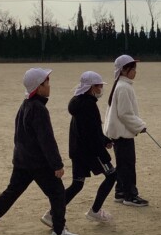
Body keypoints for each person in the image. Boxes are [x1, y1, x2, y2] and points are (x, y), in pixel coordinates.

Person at [0, 68, 79, 235]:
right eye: (46, 82)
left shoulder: (26, 104)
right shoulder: (39, 108)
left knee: (11, 193)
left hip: (22, 160)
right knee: (58, 193)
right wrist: (57, 164)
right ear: (39, 86)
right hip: (38, 162)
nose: (49, 86)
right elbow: (46, 140)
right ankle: (59, 233)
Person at [43, 70, 116, 226]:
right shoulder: (89, 105)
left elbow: (89, 130)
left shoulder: (78, 102)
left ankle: (52, 213)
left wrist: (105, 140)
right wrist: (104, 154)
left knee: (77, 184)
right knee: (112, 175)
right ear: (91, 87)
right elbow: (92, 134)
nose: (101, 89)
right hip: (90, 152)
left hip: (77, 151)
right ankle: (95, 211)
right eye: (98, 86)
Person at [104, 55, 149, 207]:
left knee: (123, 164)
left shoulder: (121, 85)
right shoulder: (123, 87)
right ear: (124, 70)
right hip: (122, 134)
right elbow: (125, 113)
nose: (135, 71)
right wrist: (140, 126)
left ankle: (121, 191)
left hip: (120, 133)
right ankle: (130, 196)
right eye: (133, 69)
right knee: (128, 165)